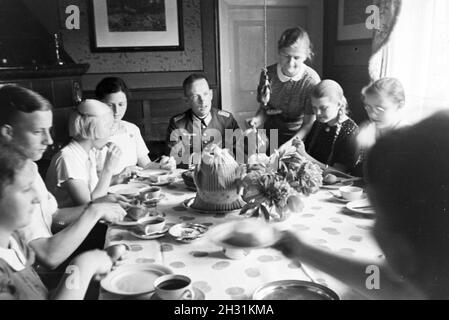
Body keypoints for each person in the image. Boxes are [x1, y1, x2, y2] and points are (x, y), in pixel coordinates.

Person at [273, 111, 449, 299]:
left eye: (381, 216)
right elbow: (390, 283)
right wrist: (302, 250)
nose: (372, 231)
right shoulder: (430, 275)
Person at [0, 85, 126, 272]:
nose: (49, 141)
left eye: (49, 131)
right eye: (37, 132)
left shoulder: (30, 167)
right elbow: (48, 256)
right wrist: (94, 212)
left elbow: (54, 215)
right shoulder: (9, 183)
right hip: (37, 277)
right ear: (7, 133)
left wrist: (98, 206)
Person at [0, 142, 126, 299]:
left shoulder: (13, 242)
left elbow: (46, 296)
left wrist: (85, 276)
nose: (37, 198)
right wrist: (84, 265)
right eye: (26, 189)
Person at [248, 26, 321, 149]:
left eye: (296, 57)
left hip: (299, 139)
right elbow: (265, 109)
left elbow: (309, 123)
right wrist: (257, 119)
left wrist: (290, 145)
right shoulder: (268, 74)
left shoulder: (311, 81)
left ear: (306, 55)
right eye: (286, 56)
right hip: (271, 136)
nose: (290, 63)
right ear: (279, 52)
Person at [46, 99, 123, 208]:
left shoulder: (89, 153)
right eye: (109, 127)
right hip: (69, 223)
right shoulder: (67, 158)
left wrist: (118, 178)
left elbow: (95, 193)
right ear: (96, 129)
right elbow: (89, 207)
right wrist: (108, 169)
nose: (110, 133)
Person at [95, 77, 175, 175]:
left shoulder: (131, 129)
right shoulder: (90, 133)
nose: (116, 111)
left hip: (133, 187)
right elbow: (89, 181)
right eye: (110, 105)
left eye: (121, 104)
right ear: (99, 104)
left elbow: (145, 165)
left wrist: (162, 166)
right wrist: (120, 176)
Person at [166, 74, 240, 166]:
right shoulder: (177, 124)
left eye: (205, 94)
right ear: (186, 100)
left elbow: (238, 150)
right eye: (196, 96)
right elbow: (175, 157)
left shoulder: (226, 120)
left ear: (211, 94)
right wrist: (201, 157)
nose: (203, 100)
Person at [353, 77, 408, 176]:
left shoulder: (408, 137)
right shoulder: (368, 130)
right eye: (368, 107)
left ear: (399, 105)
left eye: (380, 108)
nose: (372, 115)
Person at [302, 80, 359, 173]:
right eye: (314, 108)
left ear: (338, 104)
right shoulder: (319, 123)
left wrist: (304, 156)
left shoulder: (351, 132)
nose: (318, 113)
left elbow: (339, 173)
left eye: (323, 108)